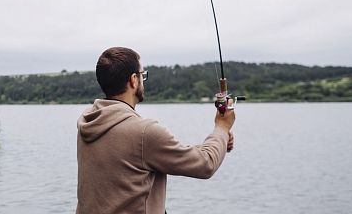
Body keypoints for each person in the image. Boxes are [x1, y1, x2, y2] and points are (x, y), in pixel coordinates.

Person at [76, 47, 235, 214]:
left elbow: (148, 153)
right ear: (133, 80)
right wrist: (222, 127)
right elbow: (205, 164)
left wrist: (220, 140)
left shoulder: (89, 122)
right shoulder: (144, 133)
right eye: (142, 75)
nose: (143, 80)